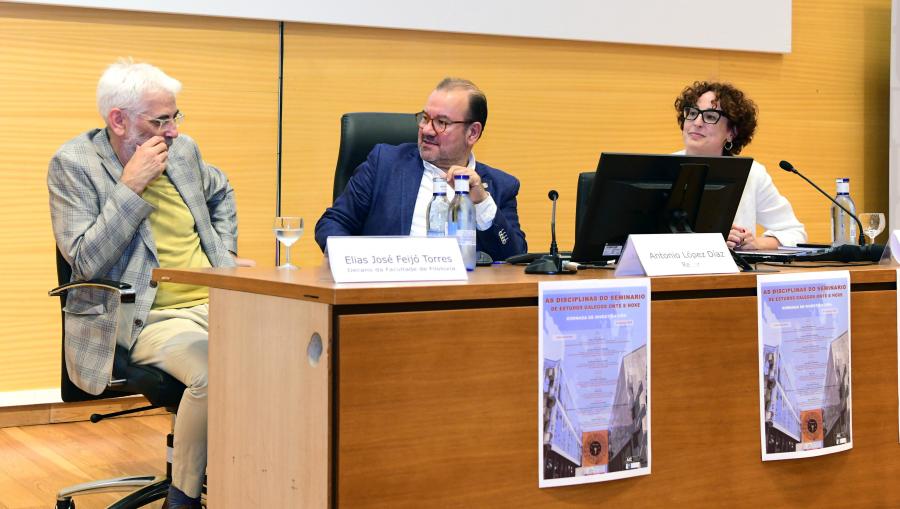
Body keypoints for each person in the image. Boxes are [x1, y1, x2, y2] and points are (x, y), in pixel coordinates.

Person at [47, 59, 252, 509]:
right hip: (141, 315)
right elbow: (84, 260)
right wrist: (129, 187)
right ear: (118, 121)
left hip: (214, 299)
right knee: (213, 373)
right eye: (160, 120)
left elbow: (221, 190)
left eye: (175, 116)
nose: (172, 130)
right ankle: (182, 498)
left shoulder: (183, 150)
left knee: (285, 358)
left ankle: (263, 478)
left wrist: (225, 255)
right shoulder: (74, 164)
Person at [315, 77, 527, 260]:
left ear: (472, 132)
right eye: (425, 118)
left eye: (441, 122)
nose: (427, 130)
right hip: (389, 296)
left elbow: (513, 257)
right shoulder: (385, 164)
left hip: (464, 301)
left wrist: (482, 203)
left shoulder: (501, 186)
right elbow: (333, 223)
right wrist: (360, 263)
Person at [674, 81, 807, 249]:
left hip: (735, 273)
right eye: (692, 113)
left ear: (732, 132)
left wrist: (756, 243)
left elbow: (795, 233)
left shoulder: (753, 173)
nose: (697, 122)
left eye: (710, 116)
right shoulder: (659, 169)